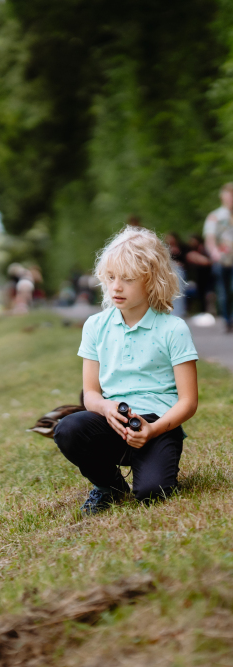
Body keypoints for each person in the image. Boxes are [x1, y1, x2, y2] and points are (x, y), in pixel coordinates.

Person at [53, 227, 198, 515]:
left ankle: (155, 469)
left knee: (151, 494)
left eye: (128, 280)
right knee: (67, 429)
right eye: (110, 278)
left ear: (151, 280)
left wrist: (154, 429)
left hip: (159, 425)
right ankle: (109, 486)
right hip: (113, 421)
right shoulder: (95, 326)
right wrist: (106, 408)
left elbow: (188, 401)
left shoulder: (173, 329)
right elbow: (91, 394)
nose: (116, 287)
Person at [204, 183, 233, 332]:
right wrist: (214, 252)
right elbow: (210, 239)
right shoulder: (215, 217)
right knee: (224, 292)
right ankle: (227, 320)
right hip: (222, 260)